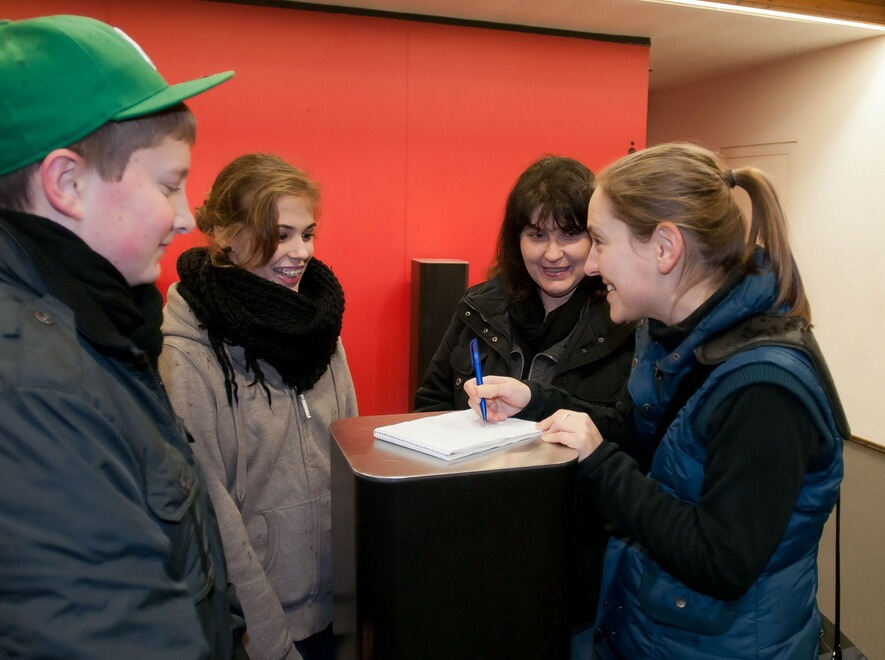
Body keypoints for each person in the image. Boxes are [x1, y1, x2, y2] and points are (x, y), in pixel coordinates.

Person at [467, 142, 848, 659]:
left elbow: (720, 560)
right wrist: (536, 400)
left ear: (665, 249)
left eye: (599, 242)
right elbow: (636, 434)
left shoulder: (763, 388)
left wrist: (598, 464)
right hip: (656, 631)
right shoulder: (669, 337)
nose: (592, 265)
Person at [0, 14, 237, 659]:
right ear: (67, 184)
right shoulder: (34, 388)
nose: (187, 218)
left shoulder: (93, 331)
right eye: (170, 184)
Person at [415, 155, 636, 658]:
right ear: (516, 240)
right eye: (537, 235)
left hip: (577, 564)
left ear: (596, 241)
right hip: (475, 547)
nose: (553, 254)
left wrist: (537, 410)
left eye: (571, 235)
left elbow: (633, 436)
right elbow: (428, 402)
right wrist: (460, 423)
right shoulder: (479, 306)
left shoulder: (628, 316)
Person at [159, 153, 357, 660]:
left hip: (340, 613)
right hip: (259, 631)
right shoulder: (188, 353)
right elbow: (212, 514)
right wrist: (269, 643)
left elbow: (350, 457)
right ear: (227, 234)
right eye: (280, 234)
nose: (300, 251)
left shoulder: (321, 330)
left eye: (307, 234)